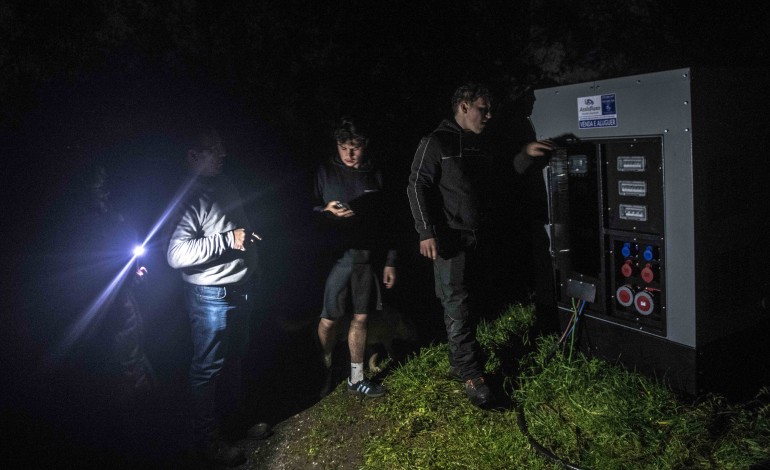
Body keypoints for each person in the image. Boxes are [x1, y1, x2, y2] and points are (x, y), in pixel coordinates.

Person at [407, 83, 552, 407]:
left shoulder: (480, 145)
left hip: (480, 238)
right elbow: (417, 185)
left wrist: (526, 155)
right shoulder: (437, 141)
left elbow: (502, 176)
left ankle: (464, 358)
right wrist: (426, 231)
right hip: (451, 240)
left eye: (489, 109)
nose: (488, 115)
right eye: (482, 109)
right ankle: (472, 376)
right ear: (463, 106)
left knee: (472, 305)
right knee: (456, 306)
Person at [166, 127, 270, 467]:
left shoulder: (223, 183)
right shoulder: (187, 198)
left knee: (235, 358)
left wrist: (246, 240)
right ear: (193, 157)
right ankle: (207, 439)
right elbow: (175, 254)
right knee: (207, 369)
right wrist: (228, 240)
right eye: (214, 150)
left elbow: (235, 224)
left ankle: (234, 422)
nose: (223, 154)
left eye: (223, 148)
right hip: (211, 295)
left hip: (240, 288)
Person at [314, 117, 397, 398]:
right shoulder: (325, 171)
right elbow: (306, 212)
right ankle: (326, 363)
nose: (348, 153)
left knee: (360, 319)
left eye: (355, 147)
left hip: (365, 259)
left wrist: (390, 261)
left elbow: (389, 222)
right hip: (336, 259)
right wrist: (325, 212)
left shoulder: (375, 174)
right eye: (343, 147)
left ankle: (356, 377)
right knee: (330, 319)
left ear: (365, 146)